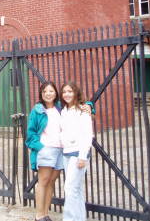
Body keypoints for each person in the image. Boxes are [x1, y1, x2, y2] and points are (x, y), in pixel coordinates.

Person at [25, 82, 94, 221]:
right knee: (43, 181)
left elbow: (78, 106)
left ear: (56, 93)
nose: (48, 94)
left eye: (51, 91)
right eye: (45, 91)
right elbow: (30, 133)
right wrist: (40, 147)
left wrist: (90, 106)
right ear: (41, 94)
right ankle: (39, 216)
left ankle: (46, 214)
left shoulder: (60, 108)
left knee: (52, 182)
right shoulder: (38, 110)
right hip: (46, 150)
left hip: (61, 151)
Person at [60, 81, 93, 221]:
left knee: (69, 188)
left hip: (78, 154)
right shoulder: (63, 111)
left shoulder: (82, 110)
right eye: (64, 91)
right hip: (66, 153)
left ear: (76, 93)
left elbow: (88, 134)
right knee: (76, 189)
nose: (67, 94)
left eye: (70, 91)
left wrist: (82, 157)